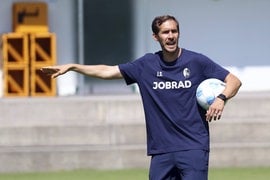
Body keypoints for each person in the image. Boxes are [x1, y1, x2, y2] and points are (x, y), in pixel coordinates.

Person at [41, 15, 241, 180]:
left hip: (193, 147)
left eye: (174, 31)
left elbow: (233, 81)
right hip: (161, 151)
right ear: (156, 36)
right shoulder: (146, 65)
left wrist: (221, 98)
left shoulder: (197, 61)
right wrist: (73, 67)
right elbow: (107, 71)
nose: (171, 36)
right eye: (165, 32)